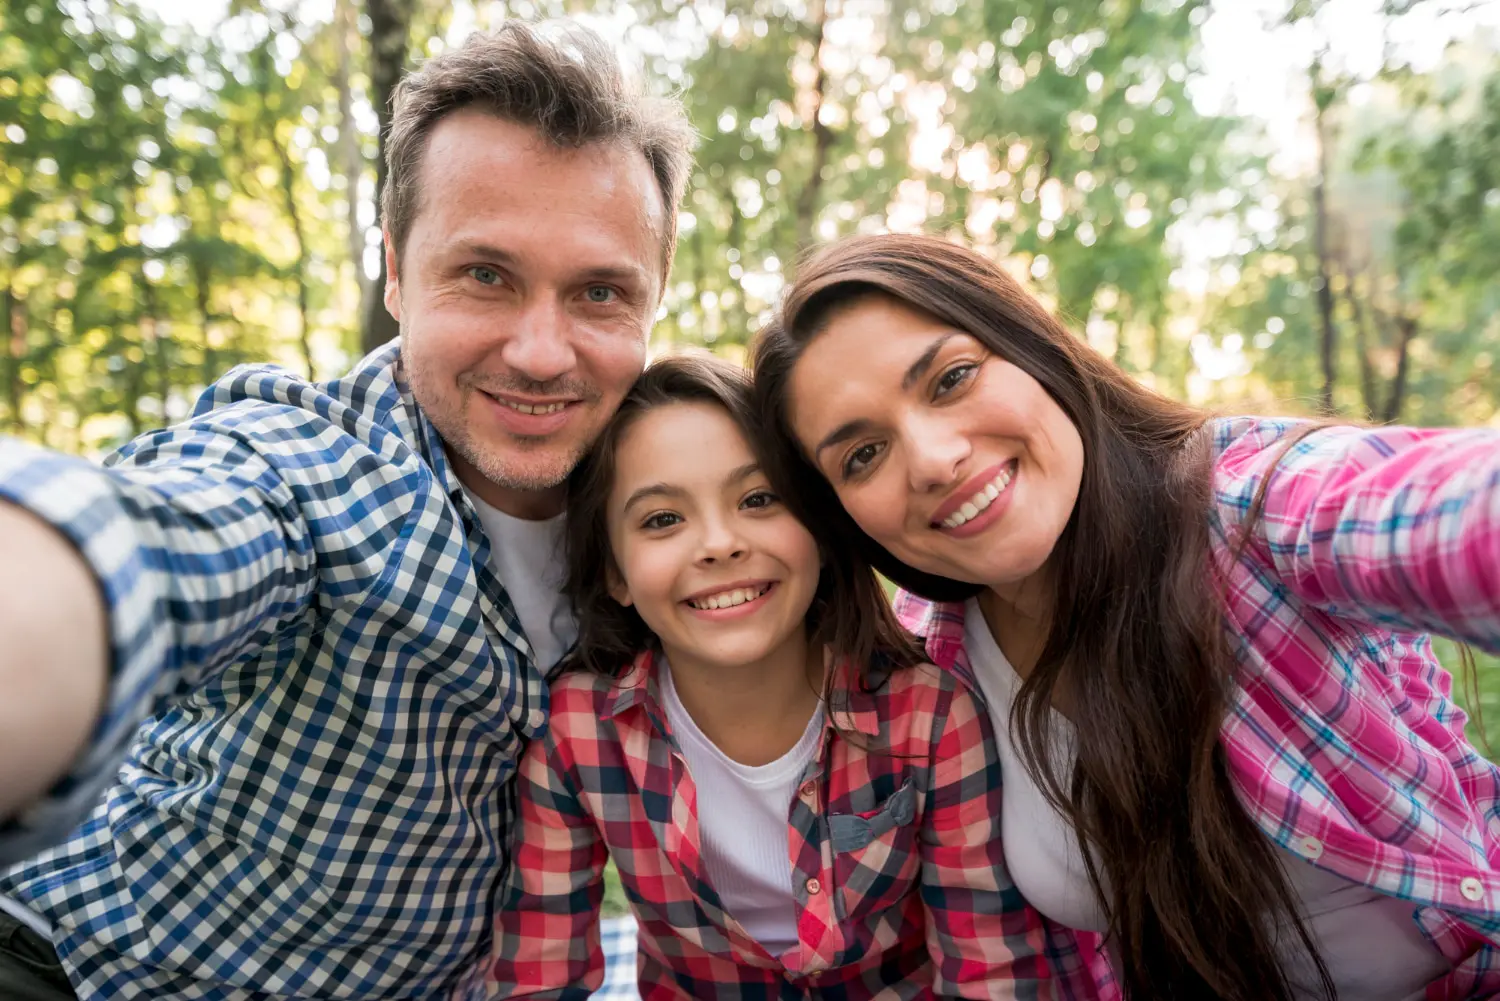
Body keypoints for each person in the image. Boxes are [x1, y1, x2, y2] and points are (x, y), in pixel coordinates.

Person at [0, 20, 694, 1001]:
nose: (542, 351)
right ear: (397, 273)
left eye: (599, 292)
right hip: (75, 964)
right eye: (485, 274)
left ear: (654, 304)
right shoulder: (317, 470)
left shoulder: (678, 529)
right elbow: (147, 541)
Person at [752, 233, 1500, 1001]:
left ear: (1035, 350)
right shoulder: (935, 666)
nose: (935, 458)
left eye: (952, 378)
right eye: (863, 455)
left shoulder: (1248, 507)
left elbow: (1452, 515)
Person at [472, 353, 1073, 1001]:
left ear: (818, 525)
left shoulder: (928, 714)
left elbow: (992, 970)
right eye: (662, 519)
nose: (719, 543)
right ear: (615, 571)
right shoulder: (578, 733)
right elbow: (537, 972)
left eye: (758, 498)